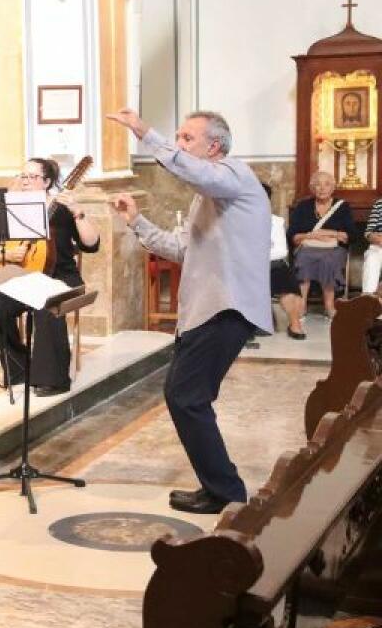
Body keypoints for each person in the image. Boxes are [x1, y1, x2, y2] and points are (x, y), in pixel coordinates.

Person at [107, 108, 271, 514]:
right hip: (206, 310)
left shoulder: (233, 176)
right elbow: (182, 249)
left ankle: (227, 492)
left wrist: (147, 133)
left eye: (187, 138)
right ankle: (218, 487)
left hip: (225, 308)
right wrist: (136, 221)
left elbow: (195, 173)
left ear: (213, 146)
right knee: (185, 397)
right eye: (176, 137)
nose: (179, 146)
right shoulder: (208, 195)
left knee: (186, 397)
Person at [0, 157, 99, 397]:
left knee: (46, 305)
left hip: (60, 278)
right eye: (23, 176)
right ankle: (19, 367)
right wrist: (7, 253)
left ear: (48, 181)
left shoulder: (62, 209)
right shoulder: (12, 209)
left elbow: (92, 245)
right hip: (24, 276)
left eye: (33, 177)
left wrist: (78, 214)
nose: (26, 181)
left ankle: (54, 379)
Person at [287, 171, 355, 318]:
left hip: (334, 249)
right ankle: (302, 304)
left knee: (329, 260)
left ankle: (329, 305)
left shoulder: (342, 207)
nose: (322, 188)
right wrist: (311, 235)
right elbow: (292, 235)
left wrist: (328, 233)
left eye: (327, 184)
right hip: (307, 248)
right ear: (312, 188)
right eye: (317, 184)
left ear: (333, 188)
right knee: (304, 258)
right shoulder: (303, 207)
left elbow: (350, 235)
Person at [263, 183, 305, 339]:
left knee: (286, 281)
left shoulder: (276, 221)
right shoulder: (238, 220)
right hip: (247, 267)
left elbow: (281, 251)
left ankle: (295, 324)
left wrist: (258, 253)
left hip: (273, 264)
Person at [362, 195, 382, 295]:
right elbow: (368, 232)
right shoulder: (379, 204)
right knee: (371, 257)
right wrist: (374, 237)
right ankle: (368, 298)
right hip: (379, 244)